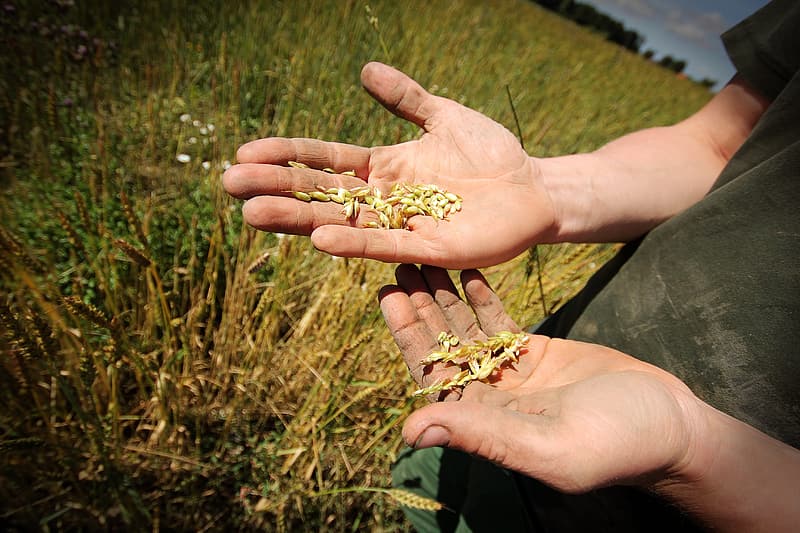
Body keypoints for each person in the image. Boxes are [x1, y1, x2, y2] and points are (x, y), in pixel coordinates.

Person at [223, 0, 799, 530]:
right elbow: (721, 146)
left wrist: (694, 453)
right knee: (425, 496)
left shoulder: (679, 450)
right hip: (529, 368)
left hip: (657, 500)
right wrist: (545, 189)